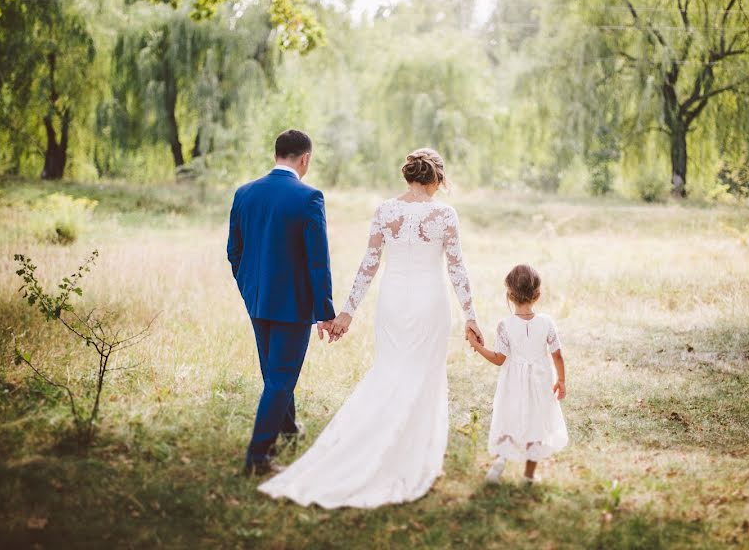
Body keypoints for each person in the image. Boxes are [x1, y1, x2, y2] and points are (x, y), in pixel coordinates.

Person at [258, 148, 483, 508]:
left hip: (392, 303)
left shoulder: (386, 211)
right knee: (424, 374)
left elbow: (368, 265)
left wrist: (346, 312)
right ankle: (415, 454)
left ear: (408, 175)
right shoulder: (444, 214)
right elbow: (457, 269)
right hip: (430, 302)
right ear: (436, 178)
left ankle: (383, 444)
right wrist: (471, 315)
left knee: (391, 371)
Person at [227, 129, 336, 475]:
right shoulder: (309, 197)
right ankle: (258, 457)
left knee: (274, 374)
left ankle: (288, 430)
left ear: (277, 155)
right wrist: (324, 312)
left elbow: (234, 251)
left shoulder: (245, 193)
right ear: (305, 159)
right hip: (293, 307)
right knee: (280, 378)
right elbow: (317, 261)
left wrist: (250, 289)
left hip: (258, 302)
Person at [468, 264, 568, 484]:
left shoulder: (505, 325)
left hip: (513, 383)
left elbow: (499, 358)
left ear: (510, 295)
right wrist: (561, 380)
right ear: (538, 295)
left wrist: (477, 346)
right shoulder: (547, 322)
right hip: (541, 383)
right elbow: (558, 355)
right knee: (537, 424)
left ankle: (500, 461)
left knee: (510, 417)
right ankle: (529, 477)